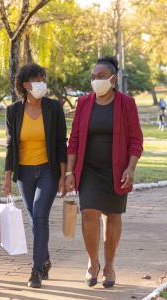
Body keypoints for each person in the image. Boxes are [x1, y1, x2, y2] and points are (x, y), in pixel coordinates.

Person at [65, 56, 143, 288]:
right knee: (89, 214)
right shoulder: (84, 103)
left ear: (113, 78)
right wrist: (69, 171)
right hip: (88, 170)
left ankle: (109, 265)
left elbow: (136, 140)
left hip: (117, 170)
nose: (95, 81)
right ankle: (93, 262)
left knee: (113, 217)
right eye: (93, 77)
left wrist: (130, 168)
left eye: (100, 77)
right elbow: (75, 139)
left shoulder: (126, 103)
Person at [3, 63, 67, 288]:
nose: (42, 83)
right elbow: (11, 145)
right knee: (34, 219)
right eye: (37, 79)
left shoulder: (53, 108)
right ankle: (45, 259)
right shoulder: (13, 111)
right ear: (26, 84)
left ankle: (36, 270)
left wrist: (63, 174)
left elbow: (61, 142)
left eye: (43, 79)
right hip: (24, 173)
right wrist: (7, 175)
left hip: (48, 170)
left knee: (39, 215)